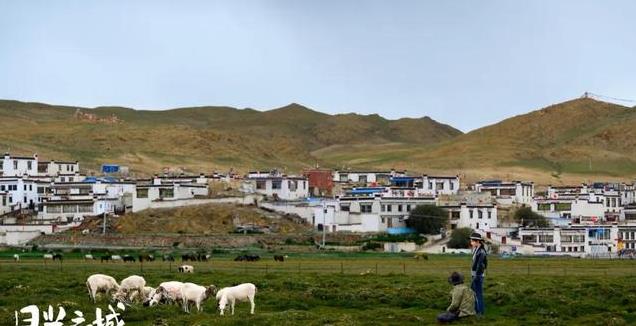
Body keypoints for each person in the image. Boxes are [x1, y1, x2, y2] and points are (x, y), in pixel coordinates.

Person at [470, 232, 488, 315]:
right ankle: (476, 310)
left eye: (472, 241)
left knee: (478, 294)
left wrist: (476, 276)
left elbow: (480, 265)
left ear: (477, 242)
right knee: (474, 293)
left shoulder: (481, 252)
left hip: (478, 275)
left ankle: (480, 312)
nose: (471, 243)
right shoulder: (476, 250)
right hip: (475, 274)